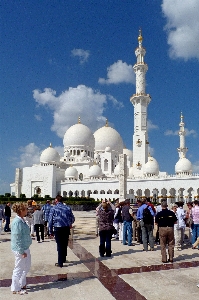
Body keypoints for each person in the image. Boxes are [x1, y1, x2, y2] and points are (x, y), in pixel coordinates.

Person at [11, 202, 32, 295]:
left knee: (26, 267)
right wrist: (21, 251)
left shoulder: (22, 220)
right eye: (25, 209)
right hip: (20, 248)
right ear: (21, 211)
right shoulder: (17, 222)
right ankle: (15, 288)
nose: (27, 210)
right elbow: (17, 237)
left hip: (25, 247)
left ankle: (22, 283)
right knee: (19, 268)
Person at [48, 195, 75, 268]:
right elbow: (72, 218)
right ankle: (63, 259)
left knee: (59, 245)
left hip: (58, 228)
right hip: (66, 228)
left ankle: (60, 262)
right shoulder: (67, 208)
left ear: (56, 200)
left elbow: (50, 221)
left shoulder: (53, 208)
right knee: (65, 243)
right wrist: (69, 223)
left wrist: (50, 231)